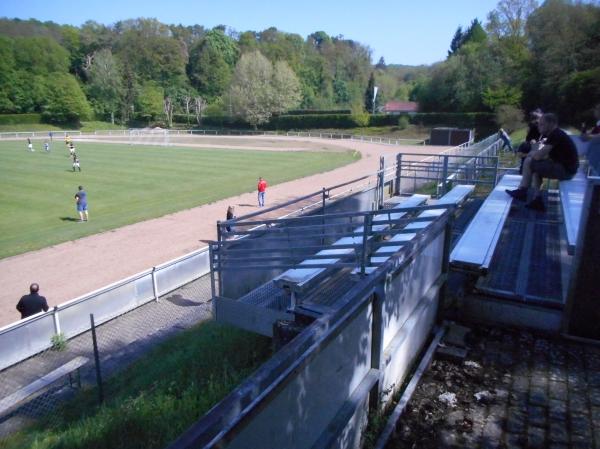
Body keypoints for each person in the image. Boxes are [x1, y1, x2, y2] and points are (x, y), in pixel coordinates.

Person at [506, 113, 579, 212]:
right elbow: (544, 155)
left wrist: (530, 154)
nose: (539, 126)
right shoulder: (556, 134)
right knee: (536, 168)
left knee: (529, 161)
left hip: (566, 170)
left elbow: (538, 156)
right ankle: (537, 200)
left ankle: (522, 191)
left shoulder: (555, 134)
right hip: (566, 168)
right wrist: (535, 154)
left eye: (542, 124)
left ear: (551, 124)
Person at [516, 109, 543, 174]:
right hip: (534, 173)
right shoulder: (541, 145)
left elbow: (519, 154)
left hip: (525, 172)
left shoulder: (525, 144)